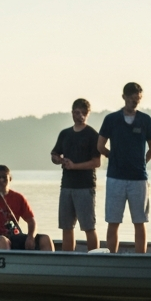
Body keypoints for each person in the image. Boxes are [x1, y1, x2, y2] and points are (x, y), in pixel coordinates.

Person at [96, 82, 151, 253]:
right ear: (124, 97)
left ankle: (141, 257)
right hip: (115, 177)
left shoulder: (145, 120)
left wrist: (142, 161)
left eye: (137, 100)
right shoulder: (111, 119)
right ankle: (111, 257)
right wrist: (113, 156)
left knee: (140, 221)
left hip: (139, 178)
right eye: (131, 99)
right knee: (113, 221)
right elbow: (100, 146)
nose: (134, 103)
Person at [49, 98, 101, 251]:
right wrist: (58, 160)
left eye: (84, 113)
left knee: (88, 227)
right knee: (66, 227)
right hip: (66, 186)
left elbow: (96, 162)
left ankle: (94, 259)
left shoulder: (92, 135)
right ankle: (67, 259)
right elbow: (54, 154)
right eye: (77, 112)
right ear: (72, 113)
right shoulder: (65, 134)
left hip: (85, 186)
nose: (80, 116)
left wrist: (75, 166)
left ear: (88, 114)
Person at [0, 164, 54, 251]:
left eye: (4, 177)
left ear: (10, 179)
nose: (1, 180)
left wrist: (31, 236)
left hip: (14, 237)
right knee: (3, 241)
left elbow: (31, 221)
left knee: (45, 239)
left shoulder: (18, 198)